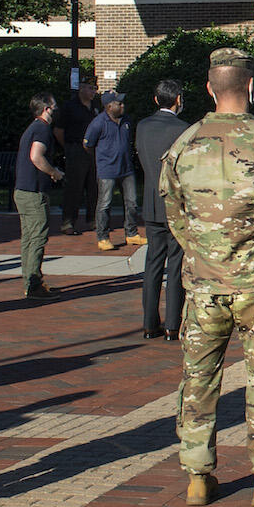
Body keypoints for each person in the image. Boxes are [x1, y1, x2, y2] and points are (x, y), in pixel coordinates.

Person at [161, 48, 254, 507]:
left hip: (203, 284)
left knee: (199, 378)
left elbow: (175, 216)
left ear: (208, 88)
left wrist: (204, 253)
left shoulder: (184, 145)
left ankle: (198, 474)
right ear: (250, 87)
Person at [136, 79, 191, 340]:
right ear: (178, 99)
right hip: (175, 204)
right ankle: (172, 324)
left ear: (156, 99)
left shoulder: (143, 126)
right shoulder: (183, 129)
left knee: (153, 264)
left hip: (151, 201)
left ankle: (149, 323)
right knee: (176, 265)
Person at [13, 94, 64, 300]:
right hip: (33, 193)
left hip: (23, 191)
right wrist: (53, 172)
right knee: (38, 238)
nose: (56, 110)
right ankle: (34, 284)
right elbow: (36, 156)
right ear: (46, 109)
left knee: (28, 238)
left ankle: (30, 280)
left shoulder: (33, 128)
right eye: (54, 107)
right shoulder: (42, 129)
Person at [84, 90, 142, 250]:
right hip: (107, 170)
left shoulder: (126, 120)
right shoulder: (98, 123)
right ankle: (103, 237)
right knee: (104, 204)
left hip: (126, 169)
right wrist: (102, 159)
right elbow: (88, 144)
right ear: (109, 106)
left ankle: (131, 233)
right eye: (119, 103)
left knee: (132, 202)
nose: (123, 105)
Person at [55, 77, 99, 235]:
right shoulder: (69, 107)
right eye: (90, 88)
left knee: (94, 187)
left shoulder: (96, 107)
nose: (93, 91)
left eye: (95, 88)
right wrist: (68, 147)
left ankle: (92, 220)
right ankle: (68, 223)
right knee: (74, 188)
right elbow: (59, 130)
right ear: (81, 88)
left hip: (93, 151)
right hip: (76, 149)